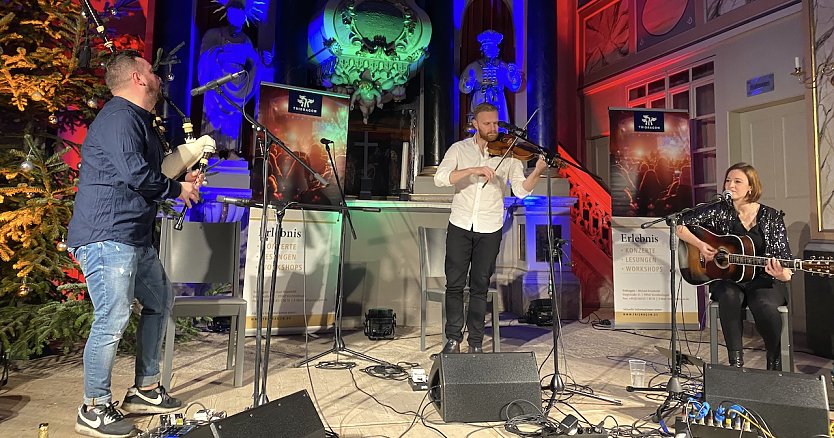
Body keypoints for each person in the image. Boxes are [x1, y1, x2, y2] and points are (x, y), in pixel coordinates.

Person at [67, 50, 202, 437]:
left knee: (160, 299)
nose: (157, 75)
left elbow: (152, 171)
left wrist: (184, 177)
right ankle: (93, 407)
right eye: (150, 70)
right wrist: (178, 189)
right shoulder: (119, 118)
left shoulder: (139, 120)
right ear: (139, 79)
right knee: (111, 318)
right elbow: (135, 173)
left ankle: (144, 388)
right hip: (108, 235)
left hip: (131, 236)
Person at [433, 102, 547, 356]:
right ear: (475, 124)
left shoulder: (509, 153)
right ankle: (453, 339)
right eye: (487, 124)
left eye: (496, 123)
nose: (493, 128)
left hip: (490, 226)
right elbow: (441, 178)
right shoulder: (459, 149)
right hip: (461, 223)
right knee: (454, 284)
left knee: (480, 285)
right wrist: (473, 169)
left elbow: (520, 190)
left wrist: (537, 172)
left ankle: (475, 342)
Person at [676, 162, 792, 370]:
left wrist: (782, 273)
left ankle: (774, 359)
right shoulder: (719, 210)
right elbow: (680, 225)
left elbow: (786, 266)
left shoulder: (771, 217)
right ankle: (735, 364)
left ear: (751, 187)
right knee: (729, 296)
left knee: (763, 304)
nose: (731, 185)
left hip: (763, 279)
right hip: (729, 278)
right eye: (728, 181)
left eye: (737, 181)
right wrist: (702, 246)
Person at [458, 30, 523, 124]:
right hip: (480, 100)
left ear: (496, 49)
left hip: (498, 100)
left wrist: (514, 75)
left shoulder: (503, 66)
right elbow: (464, 88)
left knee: (499, 127)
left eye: (491, 47)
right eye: (486, 47)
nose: (489, 50)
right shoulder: (473, 67)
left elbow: (514, 87)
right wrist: (469, 82)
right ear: (482, 49)